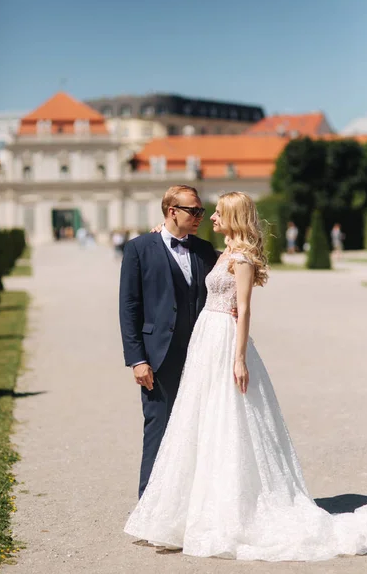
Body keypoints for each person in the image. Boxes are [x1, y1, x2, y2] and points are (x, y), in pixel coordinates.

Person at [125, 191, 367, 561]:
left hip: (226, 342)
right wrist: (160, 235)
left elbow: (244, 309)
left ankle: (230, 509)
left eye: (214, 212)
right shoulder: (222, 254)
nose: (209, 216)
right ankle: (184, 510)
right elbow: (177, 256)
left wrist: (240, 358)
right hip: (205, 345)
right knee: (199, 422)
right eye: (200, 211)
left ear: (232, 216)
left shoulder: (242, 257)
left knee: (230, 422)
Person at [119, 185, 219, 499]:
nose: (199, 217)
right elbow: (129, 306)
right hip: (158, 357)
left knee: (201, 430)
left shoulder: (204, 250)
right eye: (194, 211)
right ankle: (149, 504)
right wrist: (137, 359)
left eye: (202, 211)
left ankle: (191, 502)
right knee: (158, 431)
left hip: (202, 355)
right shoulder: (139, 248)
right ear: (172, 210)